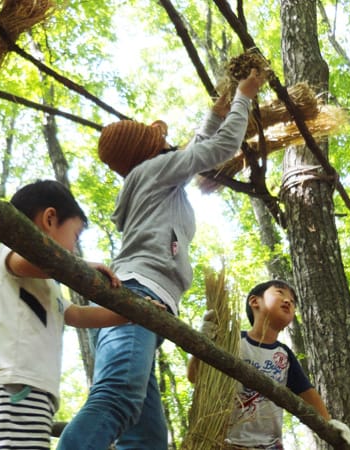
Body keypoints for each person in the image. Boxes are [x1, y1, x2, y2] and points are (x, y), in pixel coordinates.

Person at [57, 68, 267, 450]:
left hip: (143, 303)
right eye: (160, 139)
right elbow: (216, 150)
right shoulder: (156, 171)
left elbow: (196, 147)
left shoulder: (152, 178)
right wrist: (244, 97)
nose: (168, 141)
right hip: (136, 295)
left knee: (148, 438)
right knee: (117, 397)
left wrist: (217, 113)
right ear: (149, 152)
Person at [0, 180, 129, 449]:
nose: (74, 250)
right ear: (50, 219)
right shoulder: (12, 250)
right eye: (75, 237)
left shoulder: (47, 288)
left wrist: (129, 314)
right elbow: (37, 261)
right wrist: (83, 265)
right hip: (16, 386)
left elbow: (78, 315)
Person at [187, 279, 350, 450]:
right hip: (223, 442)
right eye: (280, 293)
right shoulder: (233, 341)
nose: (288, 301)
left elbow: (307, 393)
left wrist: (330, 423)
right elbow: (195, 377)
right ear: (254, 302)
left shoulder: (284, 355)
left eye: (293, 301)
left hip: (269, 446)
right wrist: (204, 342)